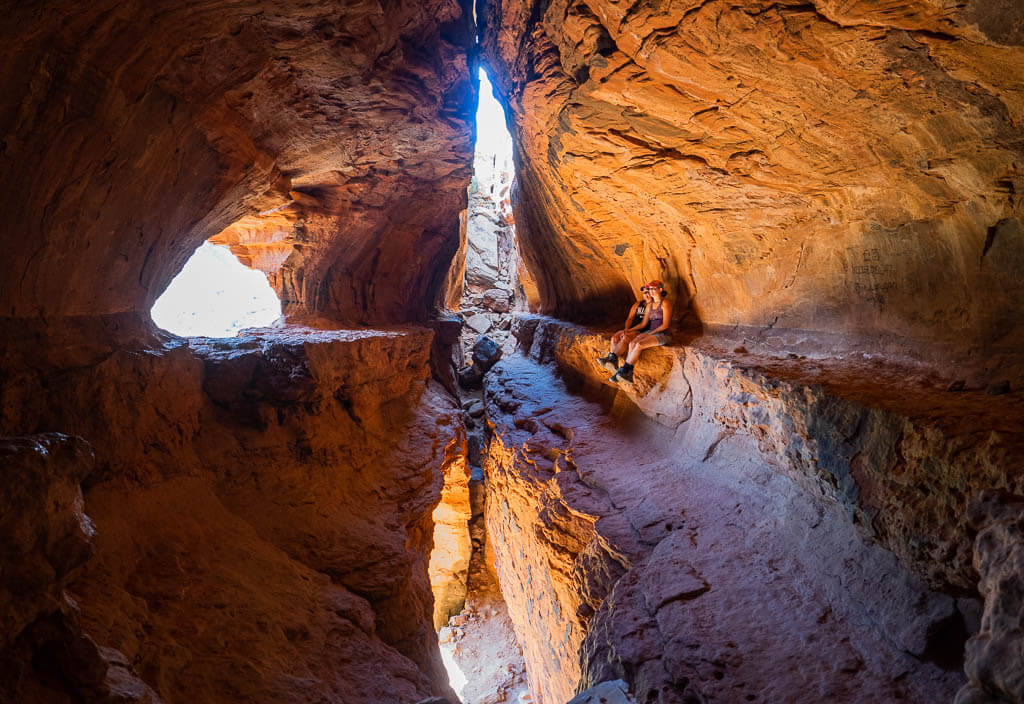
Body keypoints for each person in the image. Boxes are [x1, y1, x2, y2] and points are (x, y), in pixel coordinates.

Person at [610, 280, 672, 383]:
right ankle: (627, 373)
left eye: (653, 289)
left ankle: (624, 371)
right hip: (650, 332)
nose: (651, 291)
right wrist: (628, 330)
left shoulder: (665, 303)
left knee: (639, 345)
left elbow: (665, 325)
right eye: (650, 289)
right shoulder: (649, 305)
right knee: (632, 343)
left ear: (660, 290)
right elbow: (643, 324)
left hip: (663, 334)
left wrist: (649, 334)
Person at [597, 286, 652, 372]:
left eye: (648, 292)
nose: (646, 294)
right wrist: (626, 329)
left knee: (625, 338)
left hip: (642, 330)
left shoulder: (654, 306)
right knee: (614, 338)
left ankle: (612, 358)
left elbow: (643, 324)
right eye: (644, 293)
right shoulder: (637, 304)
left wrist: (629, 331)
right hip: (631, 329)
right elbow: (630, 318)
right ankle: (613, 361)